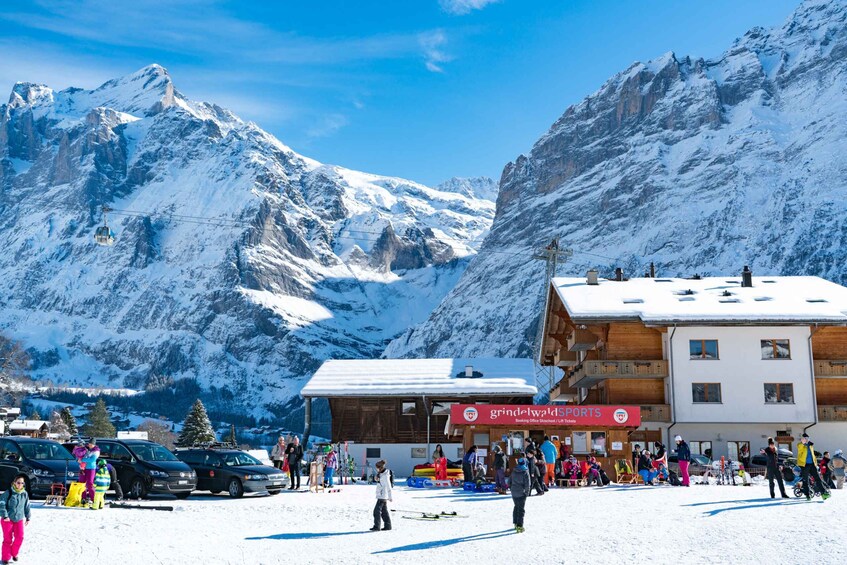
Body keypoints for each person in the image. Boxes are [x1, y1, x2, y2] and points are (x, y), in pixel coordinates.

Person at [0, 473, 30, 565]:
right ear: (14, 483)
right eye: (18, 482)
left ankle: (14, 553)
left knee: (20, 537)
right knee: (8, 539)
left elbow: (27, 506)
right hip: (7, 519)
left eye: (22, 483)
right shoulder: (8, 493)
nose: (20, 485)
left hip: (19, 519)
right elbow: (1, 504)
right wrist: (5, 516)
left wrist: (28, 517)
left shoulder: (24, 493)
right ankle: (5, 558)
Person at [798, 433, 830, 500]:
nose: (807, 440)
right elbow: (800, 449)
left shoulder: (811, 445)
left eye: (808, 438)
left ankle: (823, 493)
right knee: (805, 480)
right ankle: (807, 495)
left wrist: (815, 460)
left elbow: (811, 454)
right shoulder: (800, 445)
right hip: (804, 465)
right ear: (803, 439)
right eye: (805, 438)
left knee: (818, 479)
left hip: (812, 464)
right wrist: (802, 443)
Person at [72, 438, 100, 508]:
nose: (90, 445)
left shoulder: (96, 451)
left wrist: (82, 460)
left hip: (91, 469)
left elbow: (92, 459)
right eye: (89, 444)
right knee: (82, 484)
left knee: (90, 484)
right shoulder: (86, 449)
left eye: (91, 444)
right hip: (83, 468)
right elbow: (79, 456)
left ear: (94, 444)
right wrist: (78, 459)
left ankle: (93, 499)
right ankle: (83, 498)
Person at [370, 460, 392, 531]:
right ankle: (388, 526)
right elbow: (380, 482)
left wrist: (390, 496)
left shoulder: (385, 475)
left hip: (383, 495)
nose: (376, 469)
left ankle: (377, 526)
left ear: (380, 468)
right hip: (381, 494)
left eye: (377, 467)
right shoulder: (381, 473)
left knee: (376, 511)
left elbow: (389, 486)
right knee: (384, 511)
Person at [510, 457, 531, 533]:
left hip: (514, 492)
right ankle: (519, 526)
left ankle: (515, 523)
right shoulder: (525, 471)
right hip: (521, 492)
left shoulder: (514, 471)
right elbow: (527, 484)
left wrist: (512, 488)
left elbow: (509, 481)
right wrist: (527, 492)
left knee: (516, 506)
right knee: (521, 509)